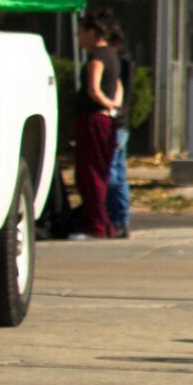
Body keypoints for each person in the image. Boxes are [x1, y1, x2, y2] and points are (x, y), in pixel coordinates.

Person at [73, 16, 124, 239]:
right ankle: (105, 223)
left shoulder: (96, 58)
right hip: (108, 120)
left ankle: (96, 225)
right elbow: (118, 86)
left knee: (90, 174)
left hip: (94, 120)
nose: (79, 38)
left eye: (81, 33)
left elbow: (94, 89)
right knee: (102, 172)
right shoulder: (113, 56)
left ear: (92, 33)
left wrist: (106, 103)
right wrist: (115, 106)